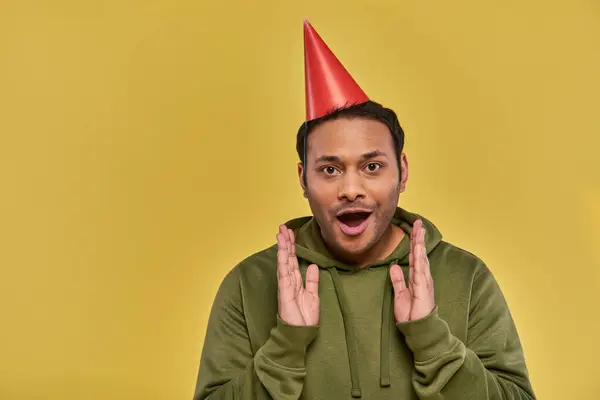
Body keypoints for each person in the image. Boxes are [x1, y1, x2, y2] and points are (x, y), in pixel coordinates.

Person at [193, 20, 536, 400]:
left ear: (402, 172)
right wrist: (286, 347)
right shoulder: (249, 282)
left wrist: (431, 339)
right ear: (303, 179)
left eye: (372, 167)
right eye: (330, 170)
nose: (351, 189)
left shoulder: (466, 276)